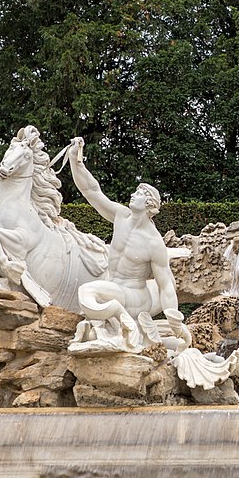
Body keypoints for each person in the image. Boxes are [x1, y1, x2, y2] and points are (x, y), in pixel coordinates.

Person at [65, 137, 178, 350]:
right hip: (114, 287)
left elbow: (166, 287)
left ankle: (120, 316)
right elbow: (92, 192)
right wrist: (75, 161)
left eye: (138, 194)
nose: (132, 195)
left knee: (87, 292)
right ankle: (119, 324)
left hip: (134, 296)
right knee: (89, 312)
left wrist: (175, 322)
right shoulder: (121, 216)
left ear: (149, 204)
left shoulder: (153, 242)